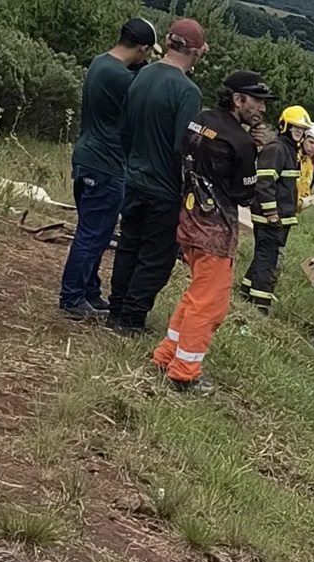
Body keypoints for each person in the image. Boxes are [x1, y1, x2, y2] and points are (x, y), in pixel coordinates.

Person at [151, 71, 273, 394]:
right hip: (215, 233)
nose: (262, 109)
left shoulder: (200, 120)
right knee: (209, 306)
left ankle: (166, 355)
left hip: (189, 220)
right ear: (238, 99)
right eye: (257, 101)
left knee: (195, 296)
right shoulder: (241, 143)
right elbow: (244, 195)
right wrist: (254, 154)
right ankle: (184, 373)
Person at [105, 18, 207, 336]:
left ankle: (116, 310)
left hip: (134, 179)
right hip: (165, 189)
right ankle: (132, 319)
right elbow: (184, 148)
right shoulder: (188, 92)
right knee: (156, 258)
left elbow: (124, 128)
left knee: (128, 246)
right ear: (197, 51)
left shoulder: (142, 74)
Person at [58, 17, 159, 320]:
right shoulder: (121, 77)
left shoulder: (101, 63)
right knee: (92, 234)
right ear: (142, 48)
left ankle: (89, 291)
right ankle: (72, 298)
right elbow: (145, 99)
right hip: (106, 164)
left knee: (96, 232)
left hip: (87, 157)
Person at [239, 104, 311, 315]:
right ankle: (260, 305)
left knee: (263, 256)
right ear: (285, 126)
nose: (299, 132)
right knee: (268, 260)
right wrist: (271, 213)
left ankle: (246, 291)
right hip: (271, 218)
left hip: (281, 217)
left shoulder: (289, 150)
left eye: (302, 129)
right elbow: (264, 182)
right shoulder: (277, 149)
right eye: (295, 127)